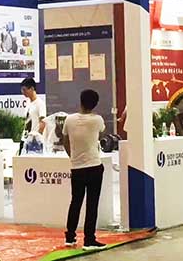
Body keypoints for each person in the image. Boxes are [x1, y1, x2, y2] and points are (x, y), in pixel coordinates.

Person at [63, 89, 106, 251]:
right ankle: (89, 239)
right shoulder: (97, 120)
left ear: (80, 101)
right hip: (94, 166)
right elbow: (102, 132)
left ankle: (70, 237)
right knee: (92, 204)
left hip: (77, 168)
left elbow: (65, 140)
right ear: (95, 104)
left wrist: (73, 157)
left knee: (75, 202)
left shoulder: (69, 120)